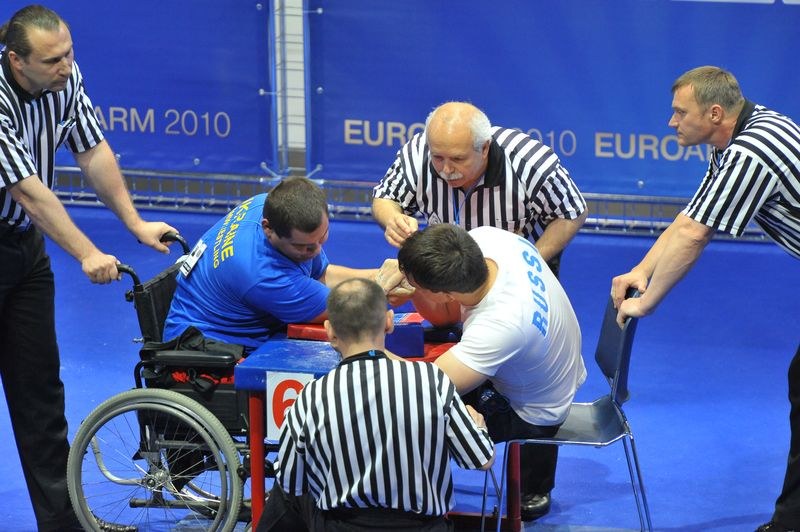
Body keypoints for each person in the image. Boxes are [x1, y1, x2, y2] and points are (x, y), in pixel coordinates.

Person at [0, 6, 177, 531]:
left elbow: (92, 148)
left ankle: (63, 525)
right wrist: (85, 252)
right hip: (18, 220)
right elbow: (30, 192)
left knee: (41, 395)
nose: (66, 65)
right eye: (53, 59)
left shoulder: (62, 76)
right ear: (15, 61)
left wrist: (134, 223)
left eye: (69, 53)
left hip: (22, 250)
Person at [609, 66, 800, 532]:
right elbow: (689, 217)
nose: (671, 122)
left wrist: (649, 301)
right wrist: (640, 270)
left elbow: (696, 235)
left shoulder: (751, 152)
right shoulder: (737, 137)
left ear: (714, 113)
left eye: (680, 112)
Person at [255, 277, 495, 531]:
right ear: (390, 322)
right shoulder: (431, 380)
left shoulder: (310, 397)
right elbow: (482, 460)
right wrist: (477, 427)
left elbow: (292, 483)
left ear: (330, 331)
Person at [397, 223, 586, 521]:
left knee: (404, 414)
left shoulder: (498, 326)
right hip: (554, 371)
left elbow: (422, 390)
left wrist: (369, 348)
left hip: (531, 415)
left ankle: (400, 510)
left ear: (444, 293)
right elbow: (446, 315)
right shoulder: (489, 238)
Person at [165, 176, 410, 352]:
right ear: (268, 229)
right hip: (205, 349)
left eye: (322, 237)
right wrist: (392, 283)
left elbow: (323, 273)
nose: (315, 250)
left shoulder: (269, 203)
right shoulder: (262, 276)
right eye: (303, 247)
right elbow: (348, 308)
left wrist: (383, 274)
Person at [372, 101, 588, 277]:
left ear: (484, 148)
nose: (446, 169)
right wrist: (393, 219)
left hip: (516, 272)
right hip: (448, 268)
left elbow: (572, 213)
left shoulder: (531, 164)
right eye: (438, 158)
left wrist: (531, 262)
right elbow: (385, 197)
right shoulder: (417, 155)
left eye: (458, 159)